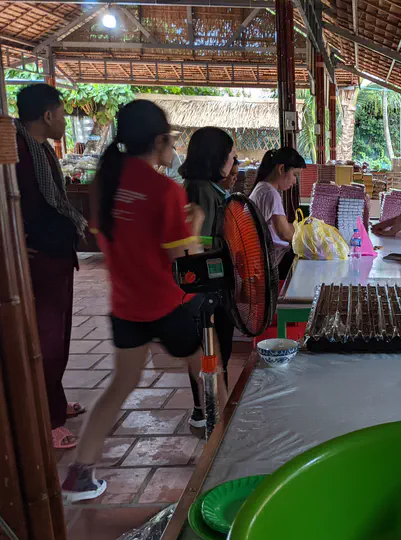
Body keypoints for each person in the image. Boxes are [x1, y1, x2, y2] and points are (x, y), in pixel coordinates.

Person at [60, 100, 220, 502]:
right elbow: (180, 261)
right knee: (210, 370)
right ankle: (223, 452)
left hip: (126, 308)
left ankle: (81, 474)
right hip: (168, 305)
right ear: (159, 140)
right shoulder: (165, 190)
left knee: (120, 385)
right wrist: (195, 225)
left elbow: (107, 238)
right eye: (171, 138)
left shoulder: (106, 183)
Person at [15, 83, 87, 450]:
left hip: (56, 255)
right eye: (61, 113)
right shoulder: (17, 152)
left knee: (59, 337)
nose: (63, 120)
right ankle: (49, 419)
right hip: (38, 257)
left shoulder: (40, 149)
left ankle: (55, 402)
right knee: (46, 339)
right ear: (47, 115)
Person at [179, 126, 236, 427]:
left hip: (213, 282)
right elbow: (197, 242)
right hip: (207, 284)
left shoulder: (205, 187)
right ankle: (208, 412)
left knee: (210, 349)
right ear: (217, 157)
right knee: (210, 350)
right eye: (230, 155)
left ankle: (209, 408)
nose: (233, 160)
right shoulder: (200, 189)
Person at [249, 147, 305, 279]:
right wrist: (308, 239)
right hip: (274, 260)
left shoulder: (262, 188)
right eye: (295, 175)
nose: (294, 181)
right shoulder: (270, 194)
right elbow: (285, 233)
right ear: (281, 169)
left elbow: (284, 226)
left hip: (266, 256)